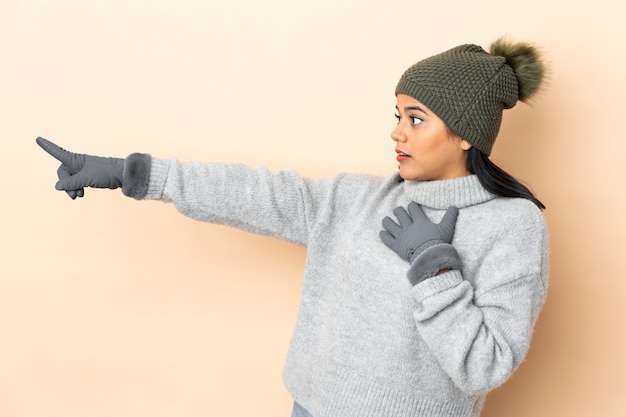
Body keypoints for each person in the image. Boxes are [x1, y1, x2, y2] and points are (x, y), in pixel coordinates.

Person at [37, 36, 549, 417]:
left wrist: (435, 270)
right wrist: (136, 173)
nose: (397, 132)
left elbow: (487, 365)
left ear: (466, 134)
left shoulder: (513, 225)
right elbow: (257, 194)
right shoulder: (359, 198)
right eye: (397, 115)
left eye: (416, 119)